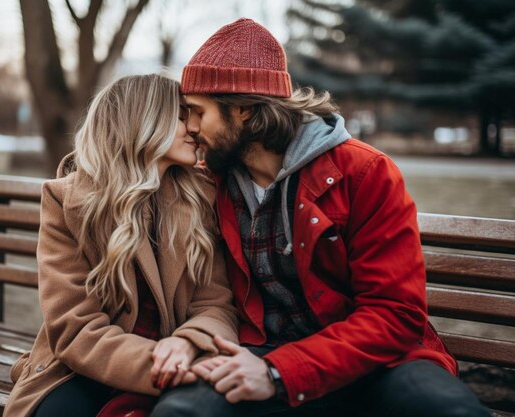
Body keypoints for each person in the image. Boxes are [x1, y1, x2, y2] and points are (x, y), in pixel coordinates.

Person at [150, 18, 489, 417]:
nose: (190, 127)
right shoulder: (214, 181)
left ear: (242, 109)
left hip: (379, 361)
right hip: (263, 349)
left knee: (446, 412)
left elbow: (395, 315)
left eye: (197, 112)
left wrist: (279, 373)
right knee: (183, 412)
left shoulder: (363, 172)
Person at [3, 74, 238, 417]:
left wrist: (187, 343)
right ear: (142, 121)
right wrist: (161, 364)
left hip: (181, 359)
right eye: (181, 115)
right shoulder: (68, 202)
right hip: (86, 367)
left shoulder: (200, 196)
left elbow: (215, 303)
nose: (193, 128)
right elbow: (75, 327)